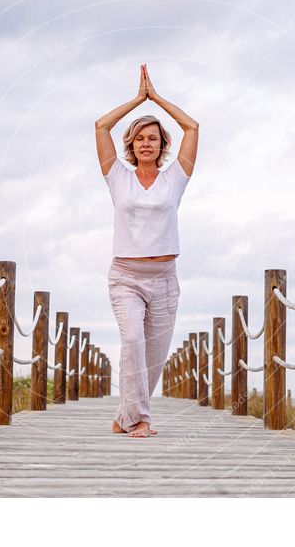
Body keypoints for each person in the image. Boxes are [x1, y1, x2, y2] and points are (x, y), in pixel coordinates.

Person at [95, 64, 199, 438]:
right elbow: (100, 126)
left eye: (153, 138)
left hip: (165, 281)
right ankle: (141, 419)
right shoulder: (116, 176)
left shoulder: (176, 177)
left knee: (153, 359)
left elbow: (193, 128)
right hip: (126, 278)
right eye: (140, 138)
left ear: (161, 144)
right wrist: (137, 100)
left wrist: (157, 99)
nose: (146, 143)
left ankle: (124, 417)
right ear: (131, 144)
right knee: (133, 342)